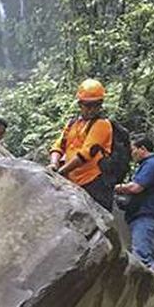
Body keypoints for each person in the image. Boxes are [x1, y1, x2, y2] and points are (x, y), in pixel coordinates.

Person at [49, 78, 114, 210]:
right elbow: (58, 145)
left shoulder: (102, 124)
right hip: (73, 181)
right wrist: (54, 163)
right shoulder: (73, 123)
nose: (92, 110)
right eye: (88, 106)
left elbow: (86, 154)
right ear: (80, 104)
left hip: (93, 183)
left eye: (96, 105)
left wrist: (61, 172)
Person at [116, 135, 154, 264]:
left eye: (133, 149)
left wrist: (115, 187)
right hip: (141, 216)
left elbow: (136, 188)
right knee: (144, 253)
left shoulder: (153, 163)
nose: (131, 154)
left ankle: (148, 283)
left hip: (146, 215)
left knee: (142, 257)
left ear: (143, 149)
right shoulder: (146, 164)